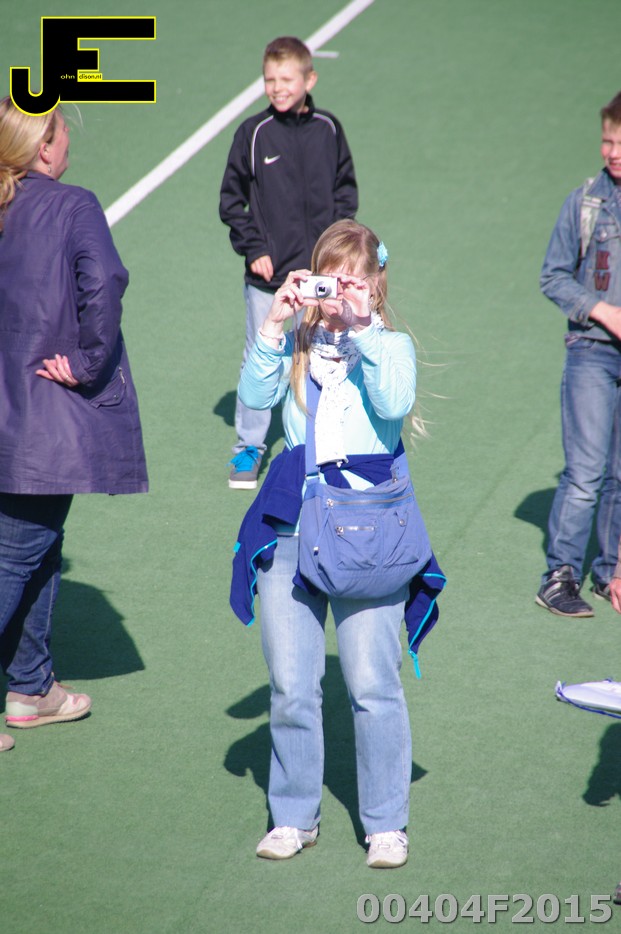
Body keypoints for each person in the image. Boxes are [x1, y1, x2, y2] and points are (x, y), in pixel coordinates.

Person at [229, 219, 445, 868]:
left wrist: (364, 327)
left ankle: (386, 823)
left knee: (372, 686)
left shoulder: (390, 346)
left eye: (353, 279)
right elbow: (254, 397)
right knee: (292, 687)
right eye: (330, 277)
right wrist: (274, 324)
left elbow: (394, 401)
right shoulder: (296, 342)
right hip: (293, 531)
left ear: (376, 284)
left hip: (366, 535)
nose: (338, 291)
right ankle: (292, 817)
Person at [0, 97, 148, 753]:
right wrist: (87, 363)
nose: (69, 145)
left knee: (38, 548)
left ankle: (32, 687)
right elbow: (103, 285)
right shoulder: (72, 205)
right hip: (38, 422)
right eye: (62, 134)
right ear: (44, 147)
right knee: (15, 556)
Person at [219, 36, 358, 489]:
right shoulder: (253, 134)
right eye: (269, 80)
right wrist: (254, 248)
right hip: (271, 279)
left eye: (286, 79)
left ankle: (321, 445)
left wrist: (336, 256)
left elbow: (345, 194)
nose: (277, 88)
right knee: (262, 355)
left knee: (324, 355)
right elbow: (231, 202)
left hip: (322, 278)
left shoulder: (329, 129)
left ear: (309, 79)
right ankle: (249, 448)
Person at [536, 91, 621, 618]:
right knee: (587, 473)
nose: (613, 152)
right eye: (608, 141)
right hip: (592, 352)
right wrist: (603, 311)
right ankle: (560, 574)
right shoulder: (586, 202)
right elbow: (553, 276)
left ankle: (611, 573)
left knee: (620, 475)